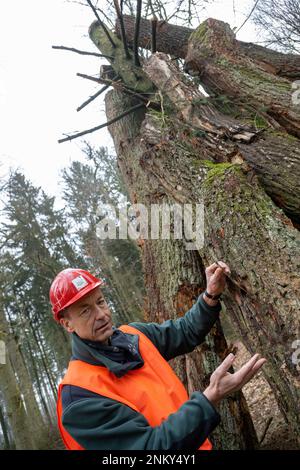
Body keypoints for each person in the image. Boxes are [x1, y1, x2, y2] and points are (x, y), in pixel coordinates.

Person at [50, 262, 266, 450]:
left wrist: (210, 296)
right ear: (67, 323)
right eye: (85, 311)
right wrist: (210, 398)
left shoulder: (133, 336)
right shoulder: (78, 397)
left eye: (100, 302)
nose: (101, 315)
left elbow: (184, 331)